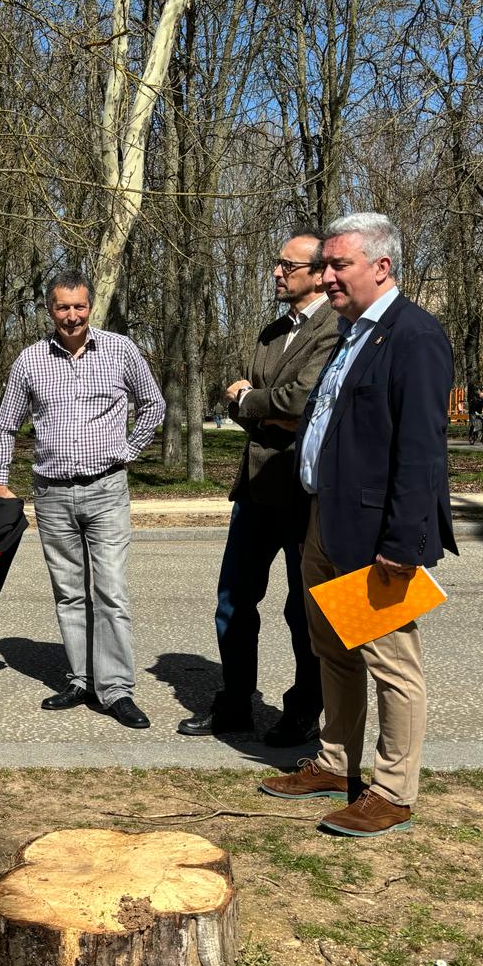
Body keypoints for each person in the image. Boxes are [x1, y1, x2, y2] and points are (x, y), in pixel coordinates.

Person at [260, 213, 456, 837]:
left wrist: (402, 543)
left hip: (374, 536)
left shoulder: (414, 337)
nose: (327, 277)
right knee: (331, 651)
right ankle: (334, 762)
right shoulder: (350, 333)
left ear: (381, 266)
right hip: (325, 520)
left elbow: (421, 452)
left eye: (338, 265)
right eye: (324, 265)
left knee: (391, 665)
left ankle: (393, 792)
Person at [180, 230, 339, 744]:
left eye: (288, 266)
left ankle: (301, 711)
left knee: (303, 610)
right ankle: (234, 703)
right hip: (254, 489)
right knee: (233, 601)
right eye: (276, 263)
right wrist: (259, 406)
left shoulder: (336, 329)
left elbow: (300, 404)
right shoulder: (271, 333)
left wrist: (253, 402)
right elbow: (255, 404)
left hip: (303, 492)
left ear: (317, 273)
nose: (276, 272)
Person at [0, 270, 166, 729]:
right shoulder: (30, 360)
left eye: (80, 307)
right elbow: (5, 423)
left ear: (92, 308)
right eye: (62, 307)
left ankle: (116, 690)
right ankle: (81, 679)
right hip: (51, 494)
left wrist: (127, 451)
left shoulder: (120, 350)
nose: (72, 316)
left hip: (106, 489)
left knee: (110, 591)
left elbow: (154, 404)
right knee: (69, 593)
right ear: (50, 311)